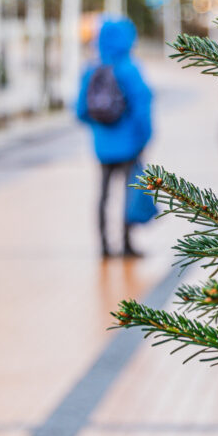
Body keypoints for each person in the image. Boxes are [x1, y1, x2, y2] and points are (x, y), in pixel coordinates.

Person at [76, 18, 153, 258]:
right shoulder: (130, 68)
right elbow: (142, 107)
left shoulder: (91, 69)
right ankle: (127, 243)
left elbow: (80, 110)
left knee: (103, 193)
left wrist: (100, 128)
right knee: (129, 192)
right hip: (129, 143)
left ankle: (104, 246)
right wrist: (144, 137)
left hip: (102, 145)